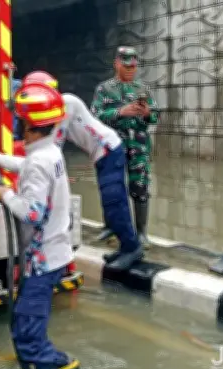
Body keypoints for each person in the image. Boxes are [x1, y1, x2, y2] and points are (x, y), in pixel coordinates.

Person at [0, 82, 84, 369]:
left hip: (42, 260)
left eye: (21, 121)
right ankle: (37, 366)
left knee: (28, 335)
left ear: (29, 125)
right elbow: (28, 166)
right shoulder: (50, 153)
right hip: (49, 257)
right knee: (24, 324)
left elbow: (33, 213)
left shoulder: (40, 160)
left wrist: (5, 193)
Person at [23, 70, 143, 271]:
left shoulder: (65, 104)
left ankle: (132, 248)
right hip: (102, 154)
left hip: (109, 150)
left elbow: (53, 144)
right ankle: (125, 247)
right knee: (110, 204)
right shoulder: (57, 109)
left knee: (115, 201)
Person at [91, 46, 159, 247]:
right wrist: (121, 112)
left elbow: (156, 116)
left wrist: (146, 113)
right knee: (112, 187)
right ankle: (110, 227)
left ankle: (142, 232)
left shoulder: (143, 89)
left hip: (138, 147)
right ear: (117, 64)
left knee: (140, 187)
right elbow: (94, 117)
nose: (130, 70)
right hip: (113, 147)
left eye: (133, 67)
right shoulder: (104, 89)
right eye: (126, 66)